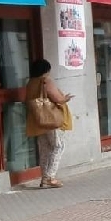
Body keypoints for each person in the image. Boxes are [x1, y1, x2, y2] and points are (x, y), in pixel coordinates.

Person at [25, 59, 72, 188]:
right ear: (45, 70)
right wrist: (65, 98)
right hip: (50, 119)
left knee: (44, 149)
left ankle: (44, 179)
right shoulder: (45, 81)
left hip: (38, 120)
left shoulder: (30, 83)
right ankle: (50, 177)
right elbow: (57, 98)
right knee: (58, 146)